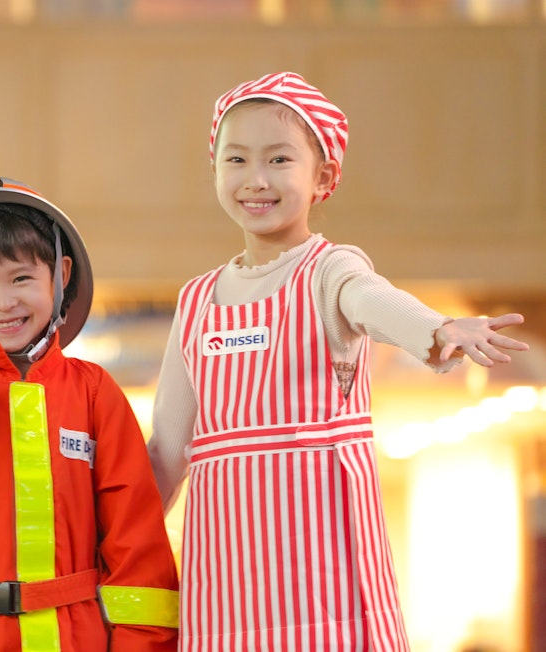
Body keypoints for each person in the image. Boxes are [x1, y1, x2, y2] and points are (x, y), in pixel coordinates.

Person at [146, 72, 530, 651]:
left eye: (279, 160)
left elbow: (372, 300)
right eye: (236, 160)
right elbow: (167, 453)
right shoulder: (196, 300)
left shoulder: (329, 271)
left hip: (321, 571)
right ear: (216, 170)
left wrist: (439, 328)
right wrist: (108, 534)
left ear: (323, 176)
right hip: (221, 577)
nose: (255, 180)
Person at [0, 162, 180, 651]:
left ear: (59, 275)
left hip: (78, 635)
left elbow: (136, 539)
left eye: (21, 277)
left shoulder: (94, 391)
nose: (2, 302)